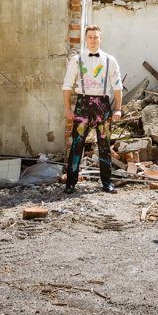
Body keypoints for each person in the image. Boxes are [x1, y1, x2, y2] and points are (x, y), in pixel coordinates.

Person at [62, 25, 123, 194]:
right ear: (86, 39)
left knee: (104, 145)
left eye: (96, 37)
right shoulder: (77, 60)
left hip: (102, 104)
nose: (93, 40)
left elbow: (117, 86)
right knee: (77, 144)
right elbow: (67, 85)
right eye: (90, 37)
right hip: (82, 104)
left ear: (100, 38)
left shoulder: (110, 60)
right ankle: (70, 183)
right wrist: (68, 109)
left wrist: (118, 108)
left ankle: (107, 182)